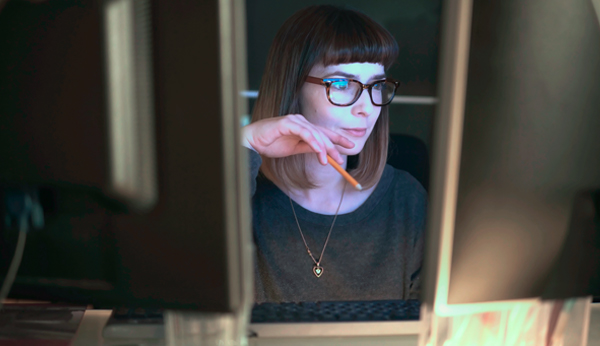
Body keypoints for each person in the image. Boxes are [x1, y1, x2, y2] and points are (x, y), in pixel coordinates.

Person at [242, 5, 427, 303]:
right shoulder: (242, 199)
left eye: (376, 86)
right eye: (341, 83)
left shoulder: (407, 201)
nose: (366, 107)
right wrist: (244, 144)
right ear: (292, 88)